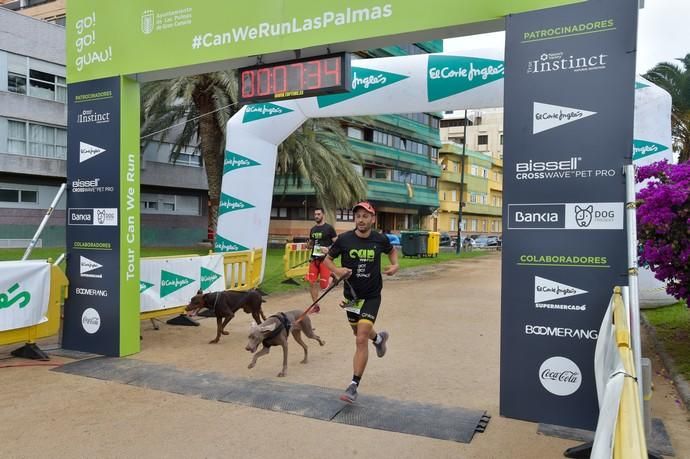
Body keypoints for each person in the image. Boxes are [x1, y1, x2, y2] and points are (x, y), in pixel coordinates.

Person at [323, 201, 399, 403]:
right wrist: (337, 270)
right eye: (358, 216)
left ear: (373, 219)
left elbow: (391, 251)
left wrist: (395, 265)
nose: (361, 220)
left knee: (360, 338)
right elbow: (327, 260)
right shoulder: (344, 240)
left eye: (365, 216)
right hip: (352, 297)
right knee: (358, 332)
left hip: (372, 296)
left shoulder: (379, 239)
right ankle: (379, 340)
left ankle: (353, 385)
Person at [306, 207, 337, 313]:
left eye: (318, 214)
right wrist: (308, 245)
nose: (316, 216)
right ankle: (315, 306)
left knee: (324, 286)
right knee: (312, 282)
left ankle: (331, 276)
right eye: (315, 214)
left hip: (325, 260)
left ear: (323, 215)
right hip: (314, 260)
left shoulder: (329, 228)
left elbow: (337, 243)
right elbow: (310, 244)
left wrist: (328, 248)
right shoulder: (313, 229)